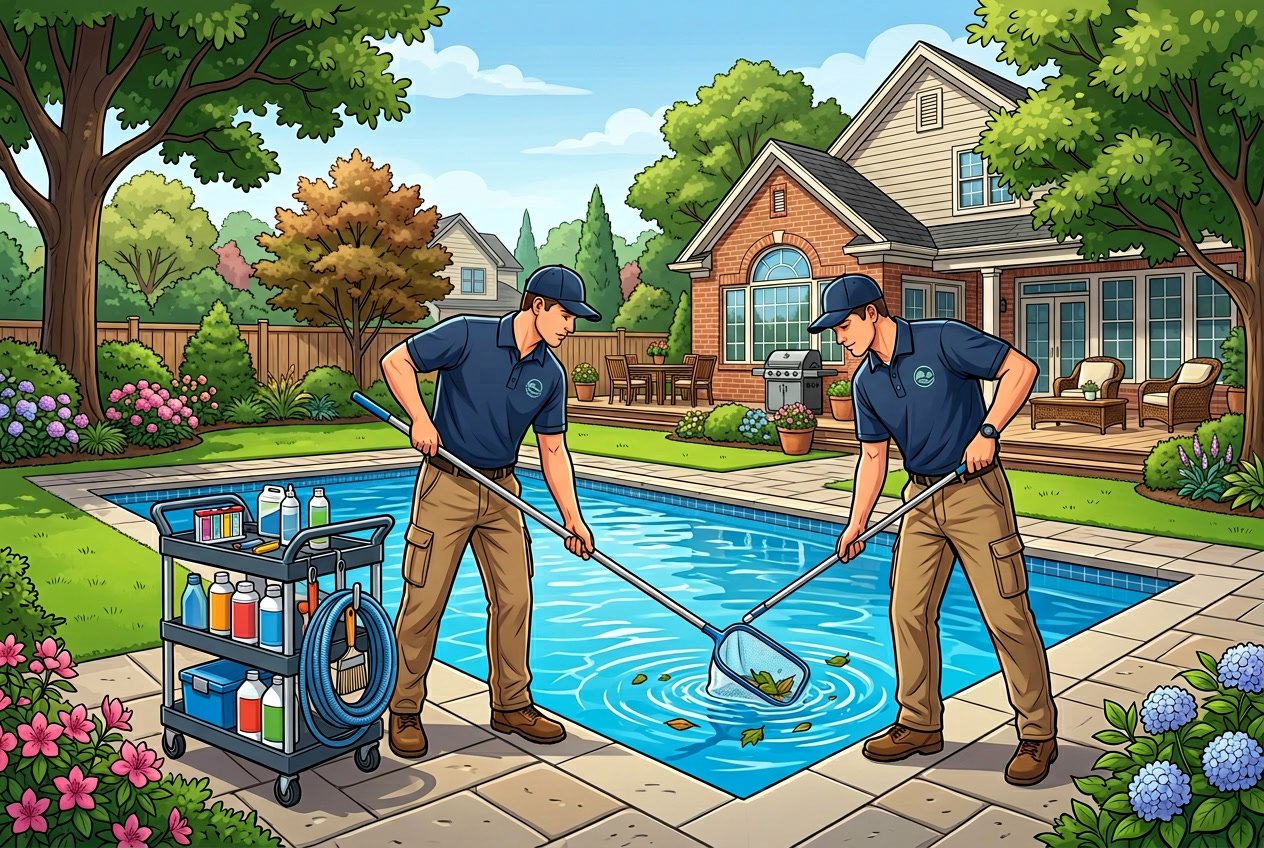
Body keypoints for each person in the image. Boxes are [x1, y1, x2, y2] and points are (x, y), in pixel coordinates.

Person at [808, 273, 1058, 786]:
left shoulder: (942, 337)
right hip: (919, 502)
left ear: (873, 312)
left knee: (1005, 613)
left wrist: (988, 431)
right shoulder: (866, 382)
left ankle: (1038, 734)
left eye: (845, 325)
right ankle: (919, 722)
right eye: (834, 330)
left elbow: (1021, 369)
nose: (840, 337)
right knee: (908, 611)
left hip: (975, 495)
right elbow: (873, 457)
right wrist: (856, 524)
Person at [379, 264, 598, 758]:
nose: (570, 327)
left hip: (503, 493)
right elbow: (397, 362)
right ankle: (405, 707)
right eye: (565, 315)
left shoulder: (551, 374)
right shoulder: (468, 335)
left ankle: (511, 705)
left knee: (515, 599)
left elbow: (554, 451)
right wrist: (420, 419)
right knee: (424, 601)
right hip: (447, 485)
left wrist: (573, 518)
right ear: (537, 306)